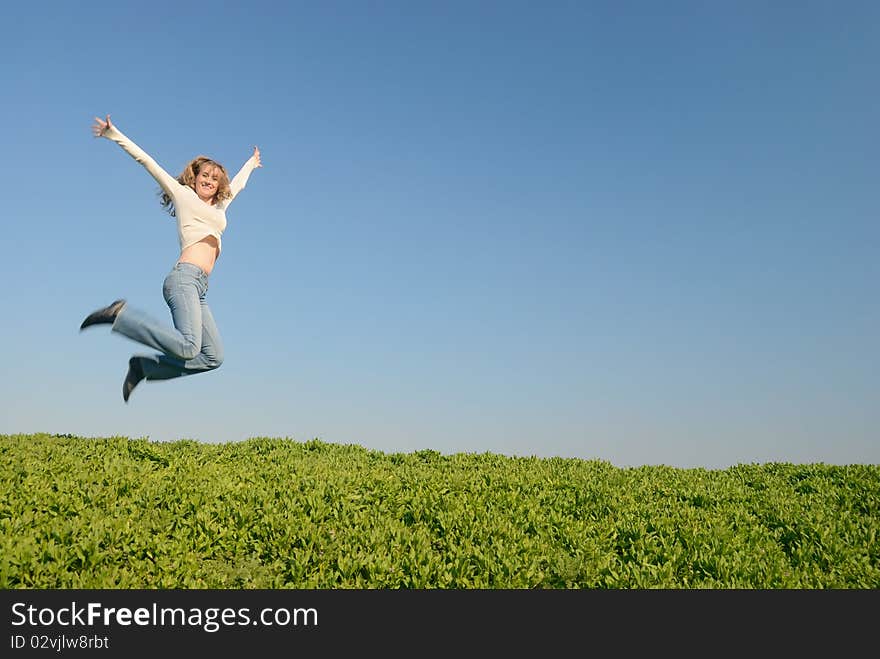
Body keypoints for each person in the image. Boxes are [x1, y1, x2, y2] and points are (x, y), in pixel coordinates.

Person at [81, 114, 262, 402]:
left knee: (213, 356)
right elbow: (147, 161)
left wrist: (252, 163)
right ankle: (120, 315)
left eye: (215, 179)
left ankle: (144, 367)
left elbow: (237, 185)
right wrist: (113, 134)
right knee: (190, 347)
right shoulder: (183, 195)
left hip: (200, 288)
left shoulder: (220, 208)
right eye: (205, 175)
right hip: (183, 279)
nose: (209, 181)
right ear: (195, 177)